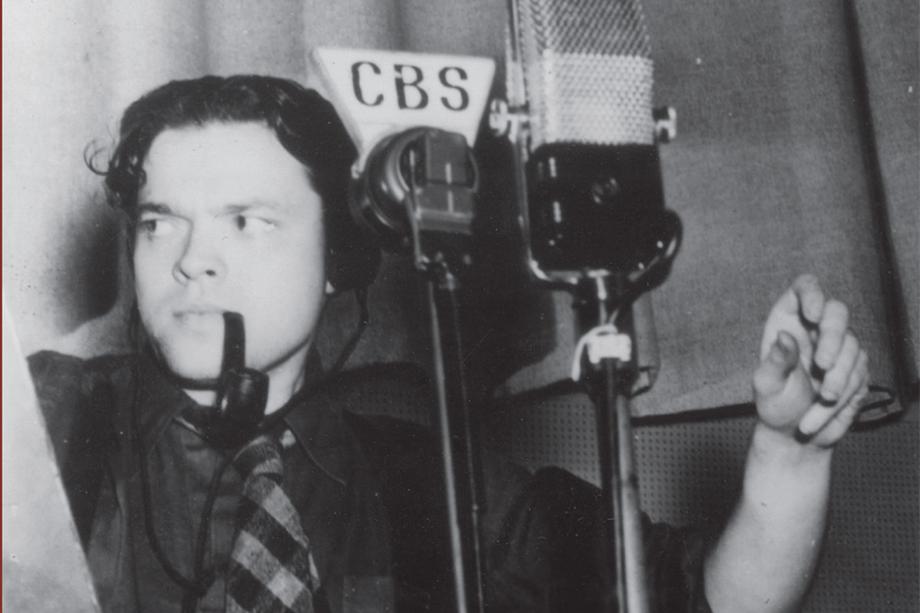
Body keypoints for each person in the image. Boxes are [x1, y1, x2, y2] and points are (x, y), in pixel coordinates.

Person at [29, 75, 869, 613]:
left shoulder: (429, 480)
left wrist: (790, 452)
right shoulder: (43, 420)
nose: (190, 259)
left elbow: (698, 599)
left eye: (246, 221)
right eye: (157, 222)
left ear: (338, 257)